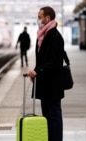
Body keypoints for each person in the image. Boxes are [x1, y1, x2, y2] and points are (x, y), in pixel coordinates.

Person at [27, 6, 65, 141]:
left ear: (47, 18)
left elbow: (55, 62)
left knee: (54, 115)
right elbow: (42, 60)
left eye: (39, 17)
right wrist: (35, 72)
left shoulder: (54, 36)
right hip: (45, 82)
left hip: (53, 83)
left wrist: (38, 71)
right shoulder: (42, 35)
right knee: (47, 115)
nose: (38, 20)